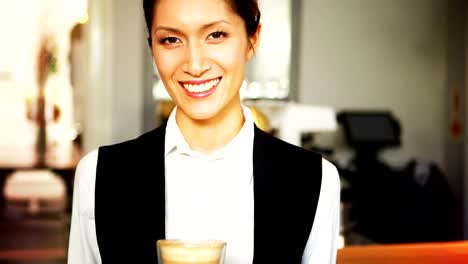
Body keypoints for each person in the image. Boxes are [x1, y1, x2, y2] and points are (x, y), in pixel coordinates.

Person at [67, 0, 341, 263]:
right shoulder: (98, 175)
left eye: (216, 34)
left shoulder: (315, 180)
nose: (195, 65)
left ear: (252, 39)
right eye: (171, 40)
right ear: (152, 45)